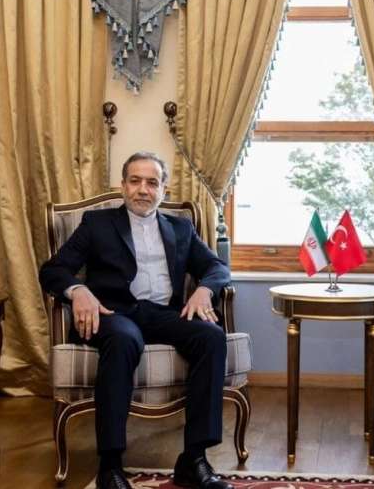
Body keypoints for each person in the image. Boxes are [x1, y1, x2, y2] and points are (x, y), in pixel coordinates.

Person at [40, 151, 233, 489]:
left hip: (164, 314)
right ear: (123, 185)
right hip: (114, 314)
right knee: (124, 339)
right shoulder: (96, 224)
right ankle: (110, 466)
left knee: (211, 336)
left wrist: (204, 289)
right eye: (135, 181)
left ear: (163, 190)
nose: (143, 189)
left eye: (152, 182)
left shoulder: (181, 228)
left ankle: (194, 459)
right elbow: (53, 269)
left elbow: (217, 267)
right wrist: (78, 291)